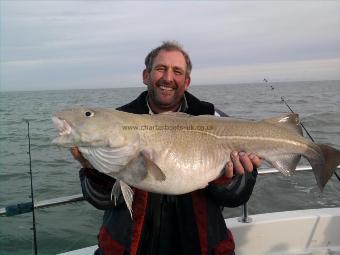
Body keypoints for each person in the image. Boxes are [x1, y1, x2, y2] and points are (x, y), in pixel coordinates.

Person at [71, 41, 261, 255]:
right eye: (161, 69)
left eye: (177, 71)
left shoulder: (215, 119)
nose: (168, 78)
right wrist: (96, 171)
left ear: (186, 81)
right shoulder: (115, 122)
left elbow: (238, 196)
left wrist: (228, 179)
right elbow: (102, 201)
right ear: (146, 75)